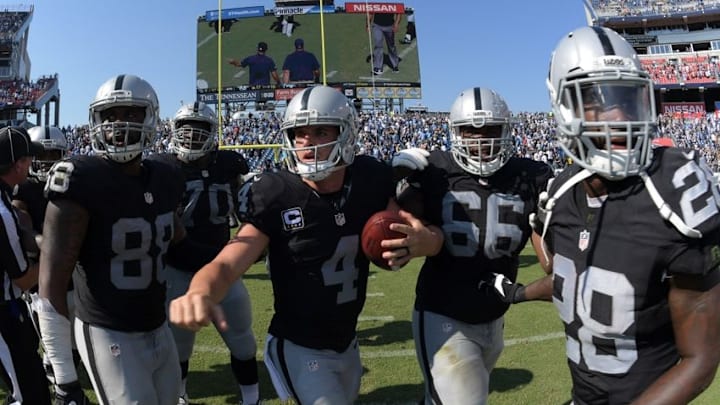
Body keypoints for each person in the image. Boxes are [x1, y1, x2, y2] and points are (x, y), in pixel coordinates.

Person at [169, 85, 440, 404]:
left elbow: (413, 231)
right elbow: (230, 260)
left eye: (321, 131)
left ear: (346, 133)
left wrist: (424, 241)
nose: (308, 144)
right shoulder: (277, 192)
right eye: (299, 133)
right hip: (297, 345)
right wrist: (201, 290)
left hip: (347, 343)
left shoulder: (369, 178)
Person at [492, 26, 720, 404]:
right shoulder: (560, 195)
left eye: (626, 99)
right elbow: (573, 279)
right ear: (562, 108)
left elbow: (701, 359)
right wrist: (518, 294)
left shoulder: (674, 193)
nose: (617, 114)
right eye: (595, 101)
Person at [37, 74, 215, 404]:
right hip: (108, 332)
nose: (119, 124)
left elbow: (179, 244)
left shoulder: (166, 176)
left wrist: (228, 259)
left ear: (151, 118)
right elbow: (51, 287)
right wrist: (64, 379)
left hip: (158, 326)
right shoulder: (79, 179)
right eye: (110, 116)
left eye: (131, 114)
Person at [389, 87, 553, 404]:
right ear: (456, 133)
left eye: (490, 130)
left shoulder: (530, 176)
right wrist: (397, 181)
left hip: (494, 317)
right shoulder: (434, 171)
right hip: (444, 313)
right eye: (470, 130)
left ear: (506, 131)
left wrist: (548, 224)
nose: (481, 140)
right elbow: (393, 231)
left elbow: (550, 264)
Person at [157, 101, 260, 405]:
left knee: (242, 340)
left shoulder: (228, 165)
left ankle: (251, 398)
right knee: (180, 344)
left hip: (221, 268)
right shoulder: (162, 168)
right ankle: (180, 395)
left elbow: (246, 204)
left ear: (213, 133)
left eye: (200, 129)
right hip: (178, 269)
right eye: (185, 129)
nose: (191, 136)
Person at [0, 126, 52, 404]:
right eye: (29, 158)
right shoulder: (3, 210)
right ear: (18, 163)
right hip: (4, 314)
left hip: (9, 310)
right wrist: (57, 256)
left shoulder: (6, 199)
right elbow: (22, 279)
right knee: (28, 396)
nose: (32, 163)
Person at [367, 9, 402, 75]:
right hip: (377, 25)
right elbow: (370, 12)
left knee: (391, 46)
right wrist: (368, 24)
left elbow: (399, 12)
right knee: (378, 45)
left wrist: (396, 24)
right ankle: (378, 67)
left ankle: (395, 65)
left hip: (389, 26)